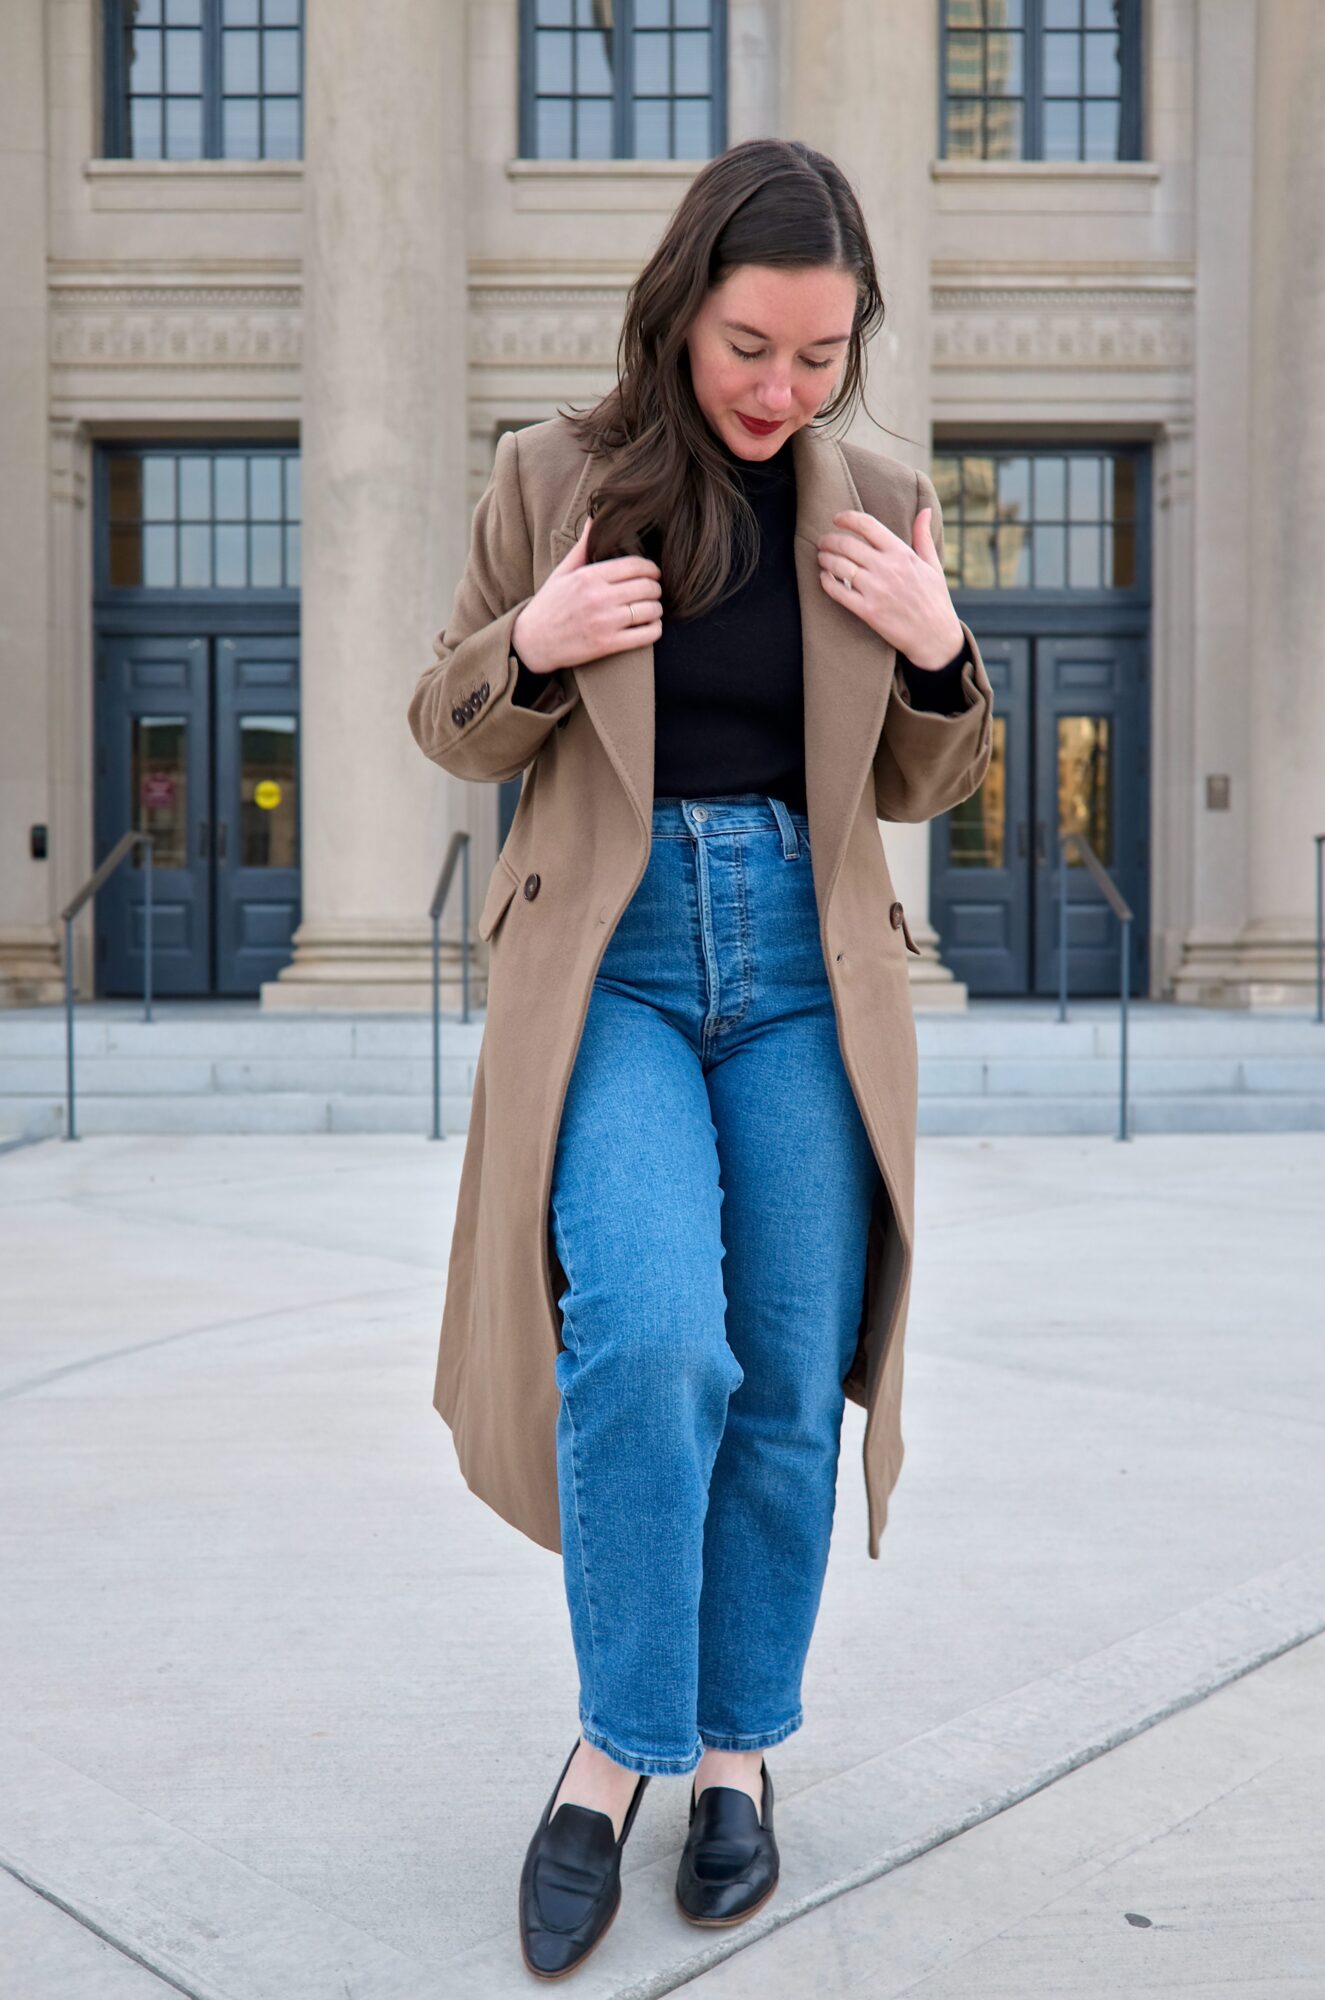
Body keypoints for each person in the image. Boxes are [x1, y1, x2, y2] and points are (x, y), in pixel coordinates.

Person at [408, 136, 992, 1981]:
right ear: (679, 314)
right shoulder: (552, 478)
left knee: (785, 1373)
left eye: (820, 355)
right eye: (752, 345)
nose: (781, 388)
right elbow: (448, 723)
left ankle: (737, 1745)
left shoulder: (871, 496)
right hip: (621, 970)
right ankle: (614, 1753)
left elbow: (923, 778)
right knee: (651, 1334)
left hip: (813, 984)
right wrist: (535, 636)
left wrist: (938, 650)